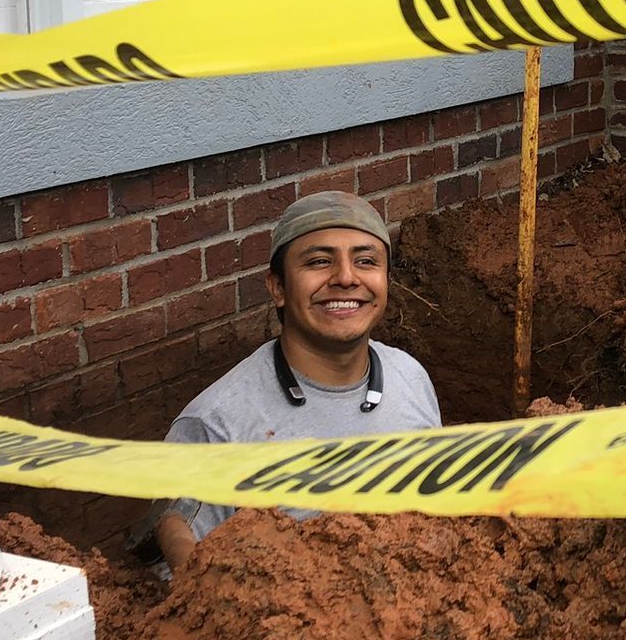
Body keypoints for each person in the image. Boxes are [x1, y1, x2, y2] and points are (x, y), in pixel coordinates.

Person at [146, 190, 440, 573]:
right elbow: (187, 582)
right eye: (319, 261)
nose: (347, 278)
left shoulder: (410, 378)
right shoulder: (218, 424)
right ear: (278, 287)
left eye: (366, 261)